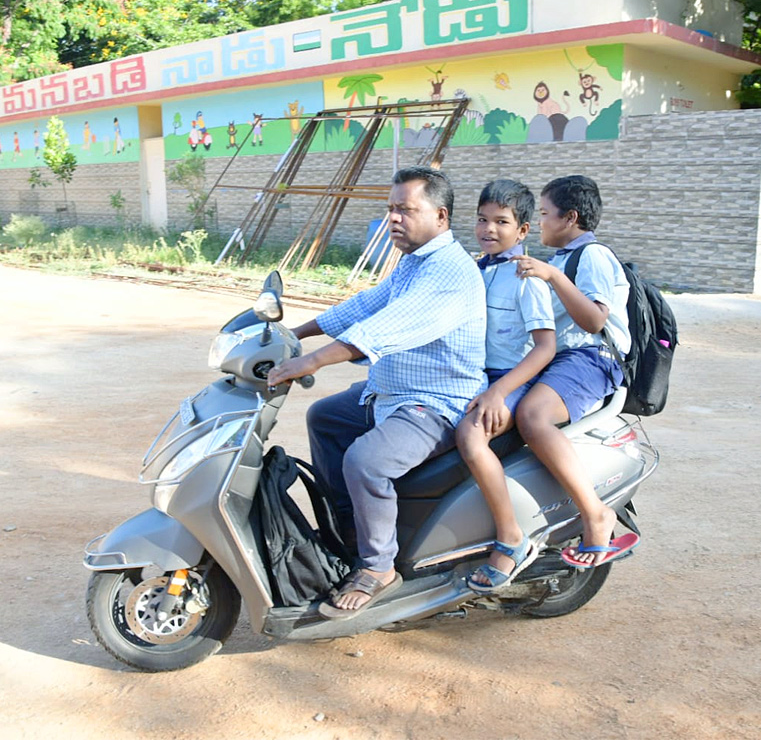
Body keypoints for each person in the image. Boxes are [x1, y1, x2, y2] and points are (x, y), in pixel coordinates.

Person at [267, 166, 486, 619]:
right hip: (390, 391)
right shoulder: (414, 261)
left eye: (406, 210)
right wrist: (295, 333)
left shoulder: (448, 272)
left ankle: (378, 567)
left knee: (366, 461)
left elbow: (383, 328)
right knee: (325, 418)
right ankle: (348, 532)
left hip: (435, 402)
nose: (394, 219)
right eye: (390, 209)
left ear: (441, 216)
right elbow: (367, 305)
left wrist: (308, 362)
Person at [511, 175, 638, 569]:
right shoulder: (562, 259)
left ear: (570, 218)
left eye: (546, 214)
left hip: (592, 359)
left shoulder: (593, 256)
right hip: (562, 357)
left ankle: (596, 514)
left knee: (533, 415)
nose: (541, 222)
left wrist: (553, 277)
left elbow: (593, 320)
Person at [455, 179, 556, 592]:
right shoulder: (475, 269)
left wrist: (498, 392)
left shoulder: (525, 277)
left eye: (501, 222)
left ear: (524, 230)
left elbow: (545, 347)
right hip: (471, 374)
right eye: (482, 219)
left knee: (471, 434)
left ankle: (511, 537)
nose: (488, 229)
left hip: (508, 379)